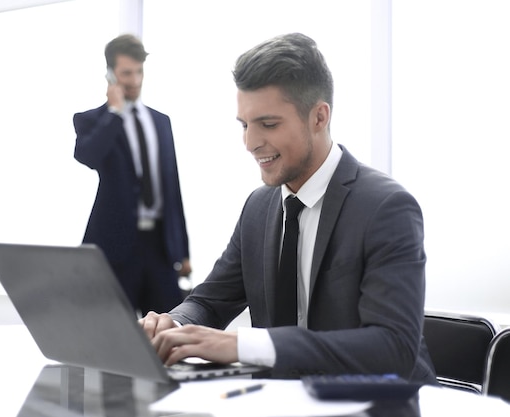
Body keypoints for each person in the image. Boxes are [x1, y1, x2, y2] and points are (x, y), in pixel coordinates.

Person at [139, 32, 437, 383]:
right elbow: (209, 302)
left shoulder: (386, 208)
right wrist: (172, 325)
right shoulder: (259, 207)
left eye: (268, 124)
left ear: (319, 117)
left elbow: (393, 347)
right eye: (245, 125)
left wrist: (243, 345)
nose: (250, 143)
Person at [73, 34, 191, 315]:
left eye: (139, 71)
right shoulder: (92, 120)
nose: (135, 80)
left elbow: (172, 187)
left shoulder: (161, 122)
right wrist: (115, 112)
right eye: (127, 73)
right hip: (115, 248)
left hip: (159, 248)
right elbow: (88, 156)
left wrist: (182, 249)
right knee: (114, 332)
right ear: (110, 75)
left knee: (169, 329)